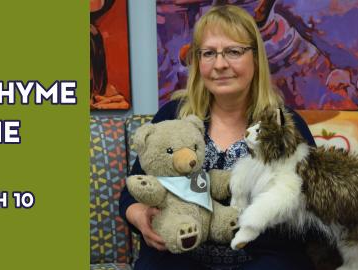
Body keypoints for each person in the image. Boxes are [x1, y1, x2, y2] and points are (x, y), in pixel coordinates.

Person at [119, 5, 316, 270]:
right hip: (180, 257)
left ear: (256, 59)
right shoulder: (173, 116)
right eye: (209, 53)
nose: (220, 64)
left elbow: (311, 213)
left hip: (263, 259)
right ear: (198, 62)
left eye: (234, 52)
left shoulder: (286, 126)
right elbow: (133, 191)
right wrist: (140, 215)